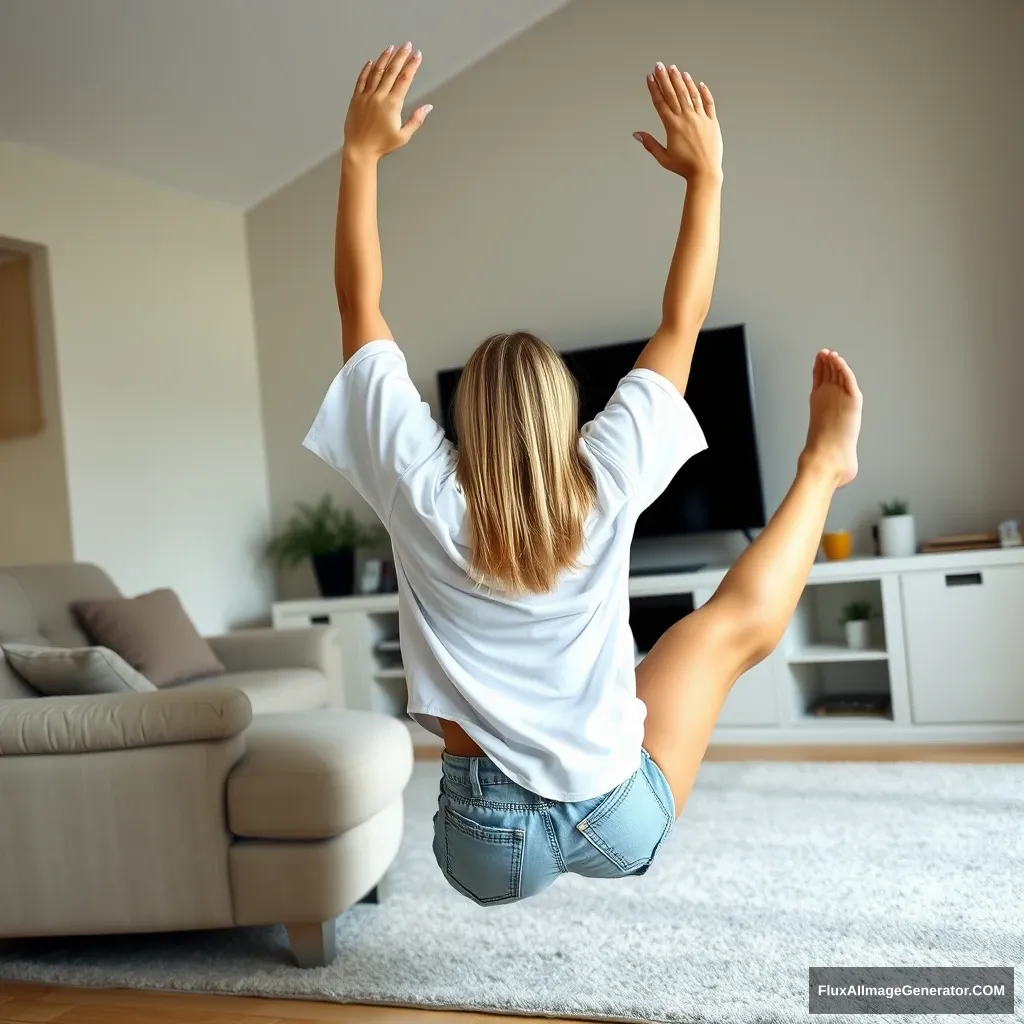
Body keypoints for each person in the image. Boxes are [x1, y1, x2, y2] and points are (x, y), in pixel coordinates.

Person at [304, 43, 863, 905]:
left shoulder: (417, 483)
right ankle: (823, 469)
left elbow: (359, 305)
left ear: (462, 424)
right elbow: (685, 321)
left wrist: (358, 155)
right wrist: (704, 178)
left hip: (487, 851)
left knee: (693, 642)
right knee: (717, 633)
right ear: (567, 413)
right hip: (618, 819)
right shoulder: (605, 472)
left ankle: (824, 464)